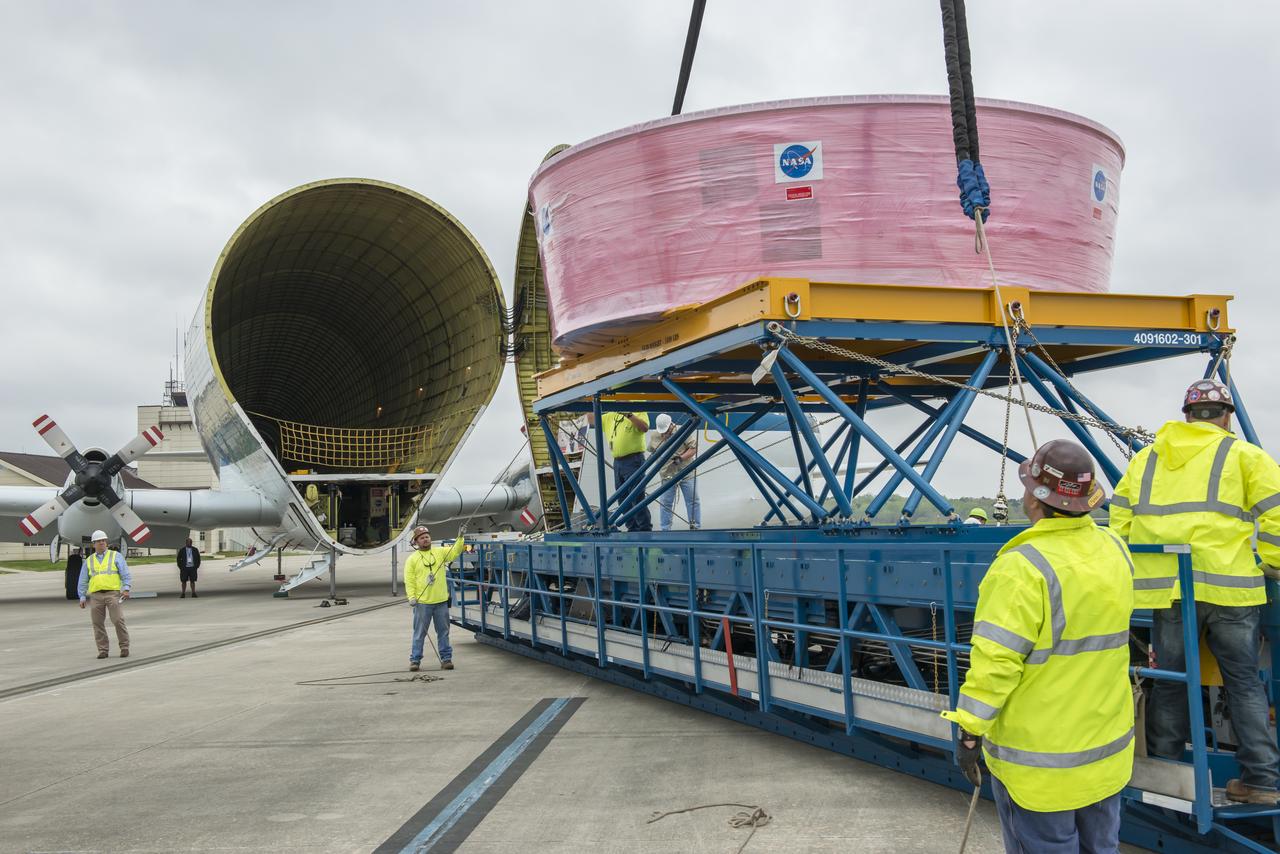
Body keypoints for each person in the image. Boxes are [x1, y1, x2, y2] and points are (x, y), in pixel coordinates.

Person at [943, 440, 1134, 853]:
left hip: (1041, 767)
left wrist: (970, 732)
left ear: (1035, 498)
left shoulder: (1021, 568)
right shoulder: (1115, 549)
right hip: (1104, 756)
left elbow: (995, 665)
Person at [1110, 378, 1280, 804]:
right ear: (1227, 417)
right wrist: (1272, 566)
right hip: (1232, 590)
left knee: (1170, 683)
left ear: (1186, 414)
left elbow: (1119, 523)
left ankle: (1164, 776)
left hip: (1171, 591)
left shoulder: (1147, 459)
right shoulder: (1245, 456)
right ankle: (1261, 782)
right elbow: (1276, 517)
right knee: (1243, 684)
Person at [404, 524, 466, 671]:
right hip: (422, 603)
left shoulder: (439, 552)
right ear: (416, 542)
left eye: (427, 537)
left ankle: (446, 659)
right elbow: (409, 580)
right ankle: (415, 660)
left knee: (443, 633)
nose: (425, 539)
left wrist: (460, 537)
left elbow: (455, 551)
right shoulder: (412, 559)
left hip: (441, 602)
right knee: (419, 634)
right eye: (421, 538)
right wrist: (411, 597)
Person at [588, 410, 652, 532]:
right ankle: (632, 527)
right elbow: (592, 419)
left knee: (636, 495)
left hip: (633, 459)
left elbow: (644, 427)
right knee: (622, 497)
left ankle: (644, 528)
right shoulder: (611, 415)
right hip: (618, 461)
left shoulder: (639, 412)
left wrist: (629, 415)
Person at [77, 530, 132, 659]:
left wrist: (126, 588)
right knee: (97, 623)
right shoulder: (89, 561)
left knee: (118, 620)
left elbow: (125, 573)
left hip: (112, 593)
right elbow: (83, 579)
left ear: (106, 542)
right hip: (96, 596)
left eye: (103, 540)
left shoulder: (116, 556)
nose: (101, 543)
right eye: (98, 541)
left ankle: (124, 647)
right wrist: (82, 596)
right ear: (93, 544)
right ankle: (103, 650)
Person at [648, 414, 700, 531]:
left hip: (686, 472)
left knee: (693, 500)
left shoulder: (683, 432)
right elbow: (652, 451)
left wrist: (681, 458)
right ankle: (665, 530)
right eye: (662, 432)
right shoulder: (655, 436)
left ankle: (696, 527)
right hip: (667, 474)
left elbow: (694, 448)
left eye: (665, 431)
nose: (663, 434)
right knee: (666, 503)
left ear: (671, 425)